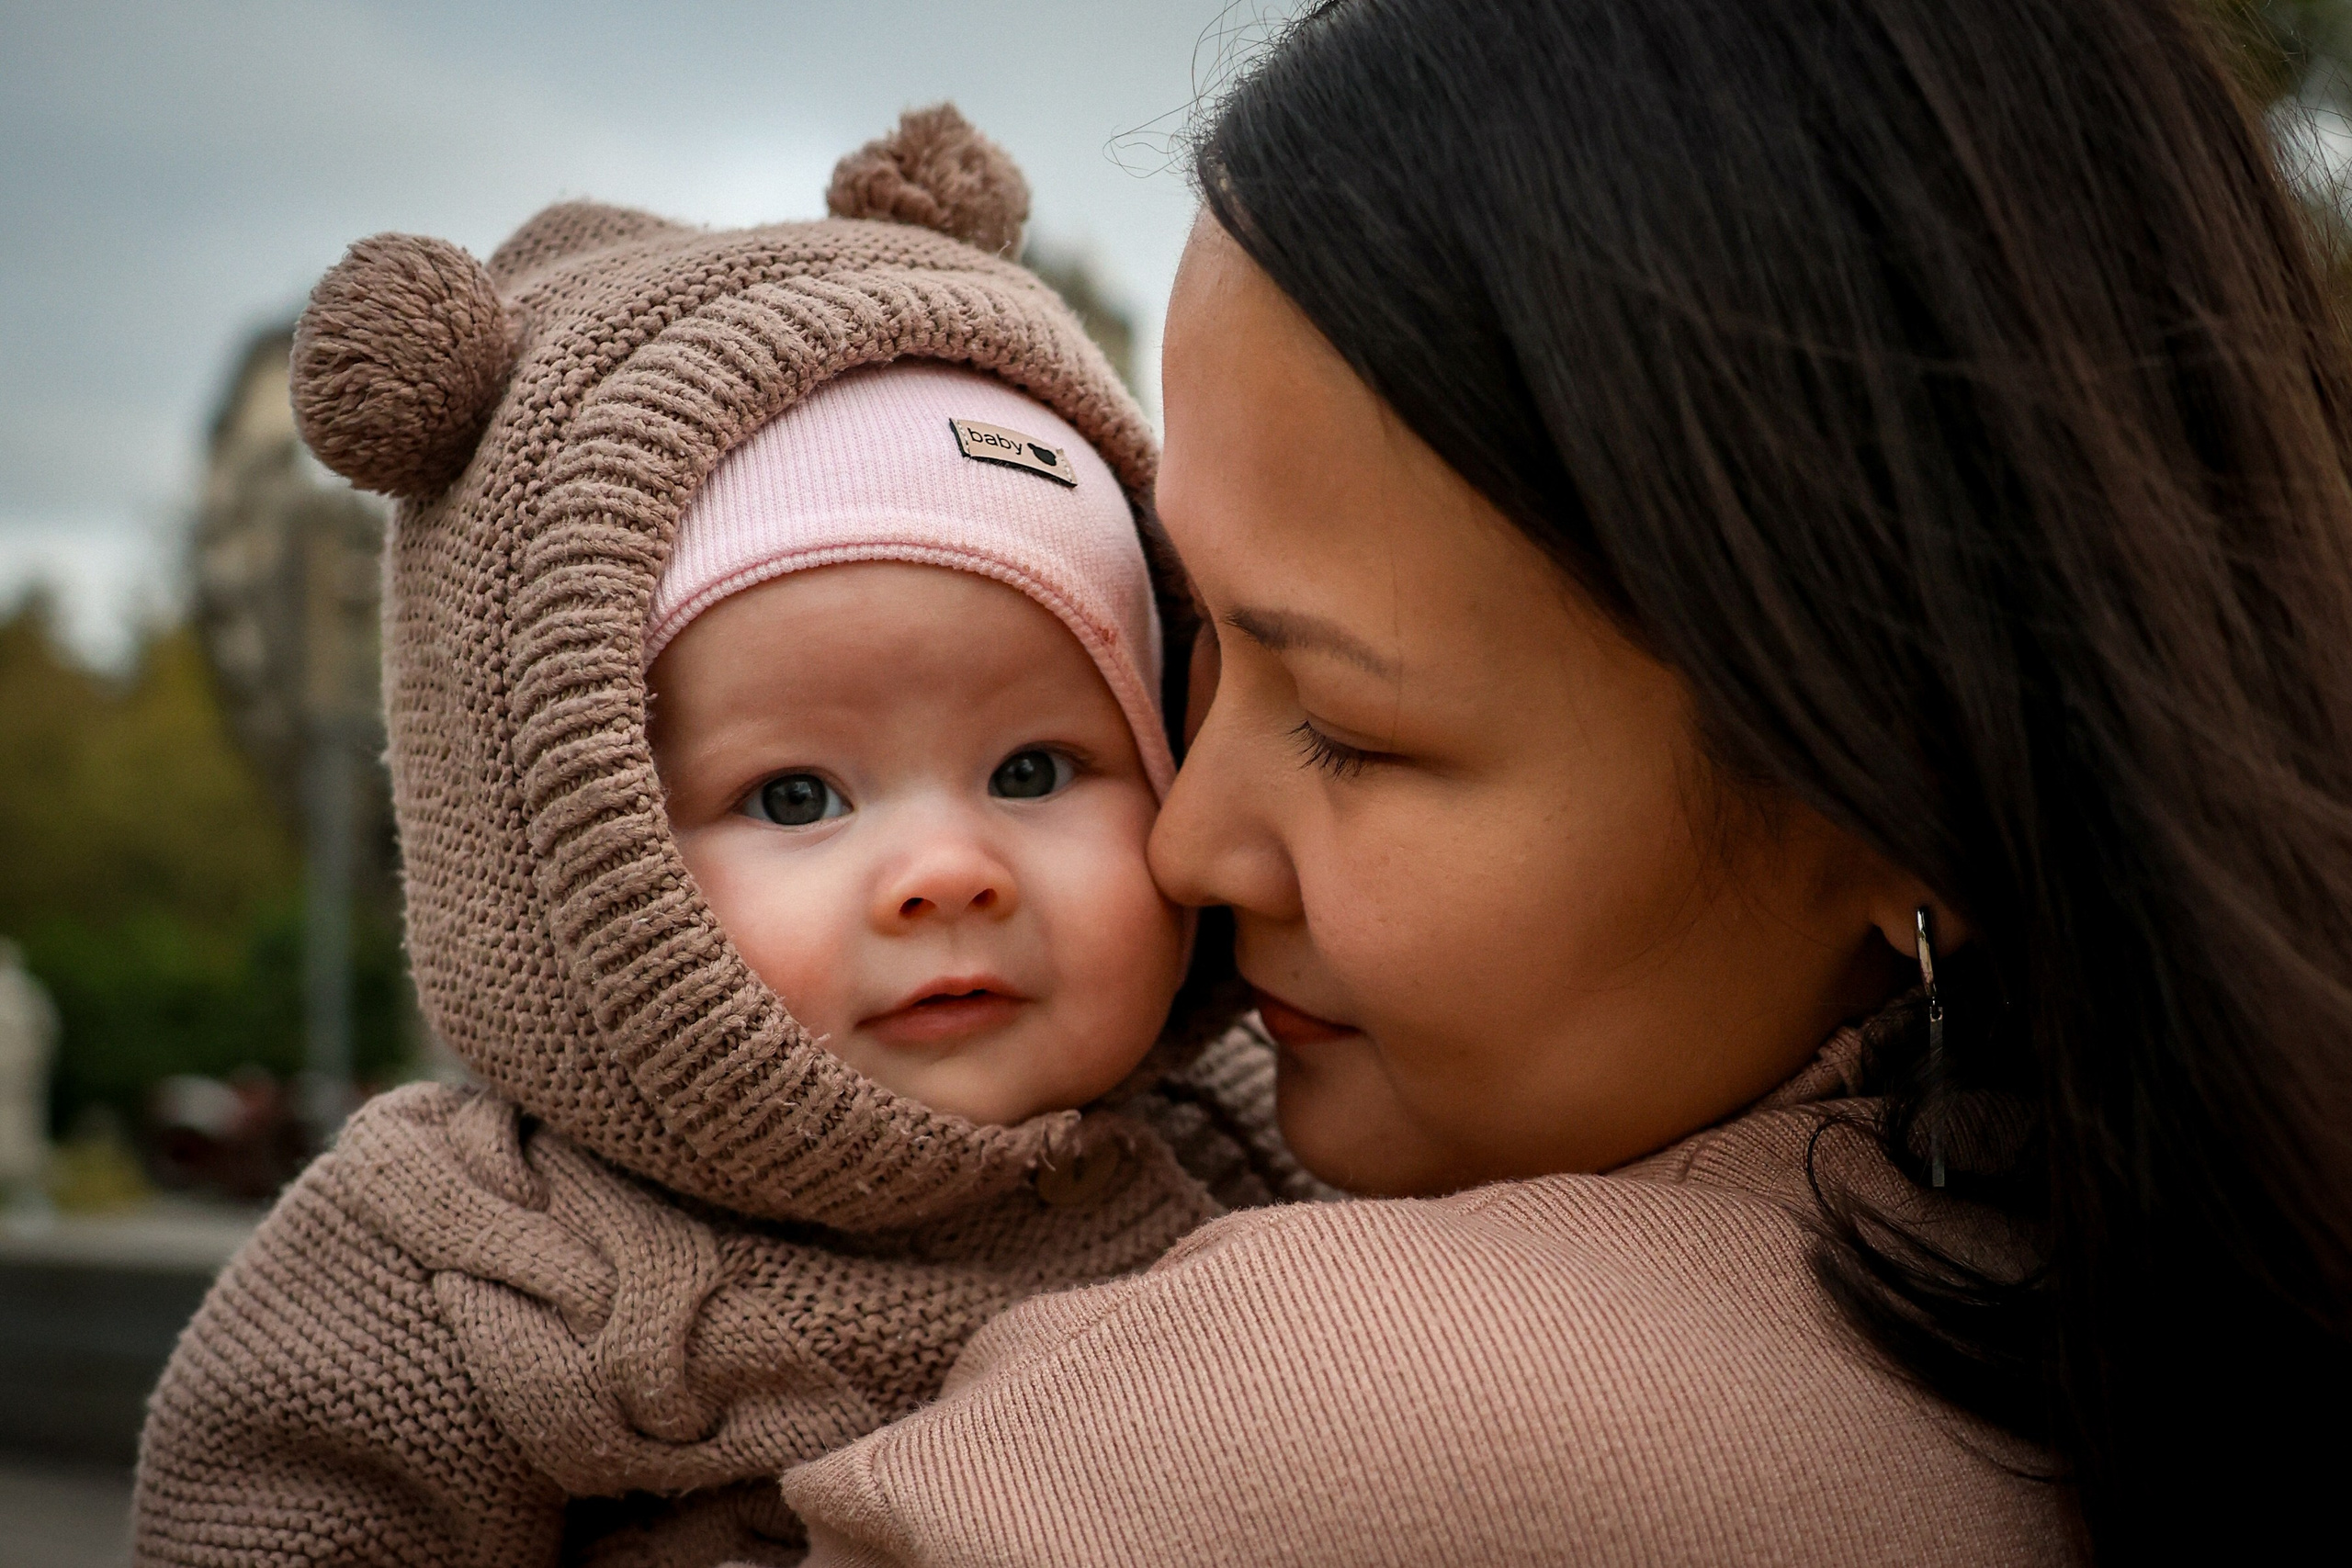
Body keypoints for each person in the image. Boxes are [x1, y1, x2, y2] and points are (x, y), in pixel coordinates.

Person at [776, 1, 2352, 1562]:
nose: (1184, 845)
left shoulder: (1285, 1431)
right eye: (1189, 635)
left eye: (1351, 729)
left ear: (1908, 798)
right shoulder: (2156, 1331)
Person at [130, 107, 1319, 1568]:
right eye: (796, 797)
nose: (949, 873)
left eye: (1034, 768)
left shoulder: (1277, 1114)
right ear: (564, 855)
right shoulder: (453, 1271)